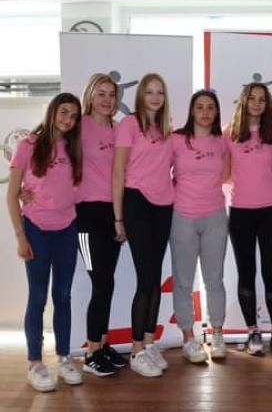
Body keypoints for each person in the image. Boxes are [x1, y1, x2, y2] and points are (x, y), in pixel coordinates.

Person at [7, 93, 83, 392]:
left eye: (73, 116)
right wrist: (21, 237)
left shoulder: (74, 148)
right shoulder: (27, 146)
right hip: (36, 230)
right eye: (63, 112)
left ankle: (64, 357)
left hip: (67, 230)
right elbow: (11, 196)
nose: (68, 120)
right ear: (52, 112)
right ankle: (35, 363)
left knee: (63, 295)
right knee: (38, 297)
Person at [112, 73, 174, 377]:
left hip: (164, 206)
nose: (155, 97)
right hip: (137, 203)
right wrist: (118, 217)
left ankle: (149, 344)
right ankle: (136, 350)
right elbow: (118, 171)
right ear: (140, 95)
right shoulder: (129, 124)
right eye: (149, 91)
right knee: (145, 278)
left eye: (159, 92)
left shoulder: (167, 129)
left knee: (155, 277)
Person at [225, 82, 272, 355]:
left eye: (262, 99)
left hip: (271, 211)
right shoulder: (229, 133)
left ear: (267, 104)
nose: (256, 103)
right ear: (244, 101)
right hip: (240, 212)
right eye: (252, 98)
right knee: (246, 273)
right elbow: (223, 173)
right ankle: (253, 331)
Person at [169, 90, 229, 363]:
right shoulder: (176, 140)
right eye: (200, 107)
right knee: (183, 281)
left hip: (215, 216)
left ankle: (217, 334)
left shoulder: (222, 142)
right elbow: (158, 171)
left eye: (210, 107)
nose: (205, 112)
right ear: (191, 111)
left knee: (214, 280)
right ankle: (188, 338)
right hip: (183, 217)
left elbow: (226, 175)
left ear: (216, 113)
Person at [77, 73, 127, 377]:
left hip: (113, 212)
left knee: (107, 282)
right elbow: (44, 151)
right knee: (101, 282)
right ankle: (91, 351)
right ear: (90, 96)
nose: (107, 100)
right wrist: (28, 189)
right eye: (101, 94)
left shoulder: (119, 129)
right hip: (86, 214)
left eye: (112, 94)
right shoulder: (78, 125)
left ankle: (103, 344)